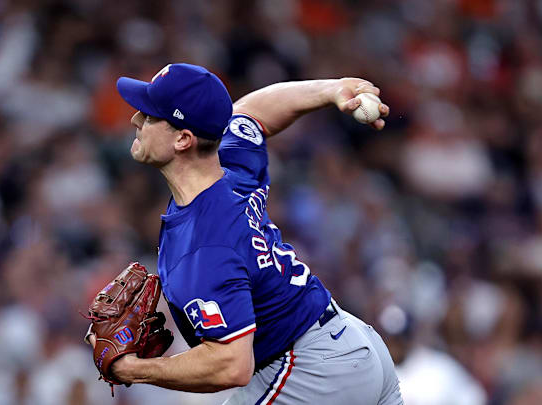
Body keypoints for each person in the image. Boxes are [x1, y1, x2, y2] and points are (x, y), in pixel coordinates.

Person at [88, 63, 401, 404]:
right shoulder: (230, 162)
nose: (135, 120)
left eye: (149, 116)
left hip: (311, 371)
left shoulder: (203, 246)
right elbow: (252, 113)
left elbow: (231, 365)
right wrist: (330, 89)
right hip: (352, 343)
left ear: (183, 138)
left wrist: (132, 369)